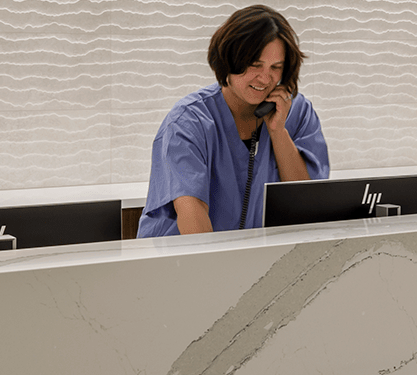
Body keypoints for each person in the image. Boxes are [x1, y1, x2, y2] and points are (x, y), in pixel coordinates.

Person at [139, 5, 330, 237]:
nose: (264, 77)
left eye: (275, 68)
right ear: (229, 59)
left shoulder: (298, 113)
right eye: (255, 64)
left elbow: (307, 206)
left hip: (253, 263)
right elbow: (193, 216)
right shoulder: (187, 122)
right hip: (183, 264)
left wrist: (278, 132)